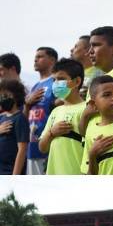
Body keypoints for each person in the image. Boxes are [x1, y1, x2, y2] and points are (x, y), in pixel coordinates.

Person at [38, 58, 86, 174]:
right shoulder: (56, 111)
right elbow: (42, 148)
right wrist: (51, 133)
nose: (56, 83)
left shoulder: (86, 109)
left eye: (61, 79)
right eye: (54, 80)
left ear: (77, 82)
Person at [25, 47, 58, 175]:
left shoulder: (56, 82)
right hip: (31, 148)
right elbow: (25, 118)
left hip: (47, 147)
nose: (35, 59)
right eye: (35, 57)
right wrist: (27, 105)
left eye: (40, 56)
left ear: (52, 60)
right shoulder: (34, 86)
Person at [0, 79, 29, 174]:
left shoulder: (20, 119)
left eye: (6, 95)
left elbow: (22, 150)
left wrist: (15, 176)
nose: (2, 98)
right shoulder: (1, 117)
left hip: (10, 171)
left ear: (16, 97)